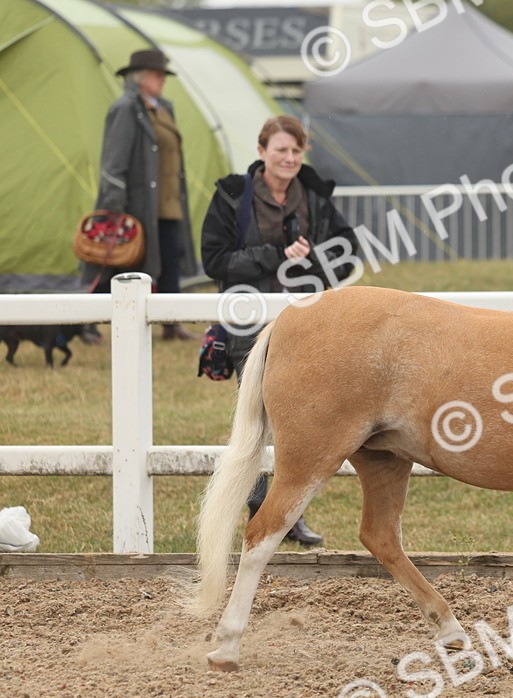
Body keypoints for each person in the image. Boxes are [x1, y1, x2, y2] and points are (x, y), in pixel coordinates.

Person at [200, 115, 358, 547]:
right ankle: (258, 510)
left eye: (296, 151)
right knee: (254, 423)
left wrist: (310, 260)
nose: (289, 158)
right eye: (281, 150)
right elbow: (215, 260)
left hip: (308, 329)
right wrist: (275, 256)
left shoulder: (316, 196)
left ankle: (289, 514)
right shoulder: (232, 196)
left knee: (300, 425)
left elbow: (348, 255)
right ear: (262, 151)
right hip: (248, 326)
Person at [82, 49, 198, 340]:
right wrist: (114, 203)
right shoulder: (126, 108)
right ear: (140, 77)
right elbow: (114, 160)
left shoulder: (164, 108)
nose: (162, 80)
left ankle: (171, 322)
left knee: (170, 261)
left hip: (168, 203)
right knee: (119, 261)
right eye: (157, 75)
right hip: (137, 203)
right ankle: (85, 320)